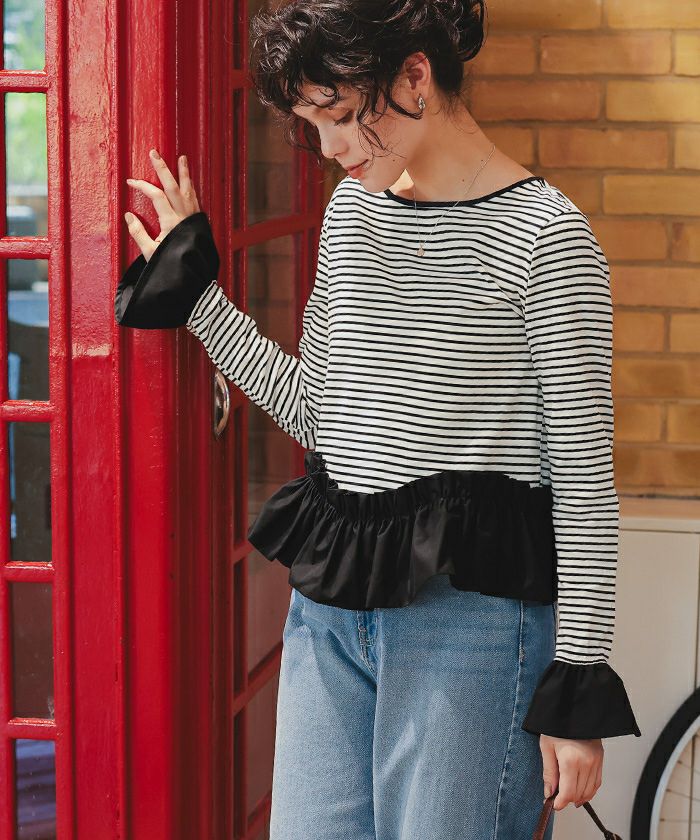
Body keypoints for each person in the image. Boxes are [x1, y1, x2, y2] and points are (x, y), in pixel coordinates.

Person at [116, 1, 641, 837]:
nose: (328, 147)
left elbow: (584, 483)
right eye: (310, 124)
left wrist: (578, 684)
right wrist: (197, 296)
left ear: (414, 77)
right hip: (331, 611)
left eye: (337, 115)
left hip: (470, 627)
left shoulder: (547, 238)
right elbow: (316, 414)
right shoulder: (353, 215)